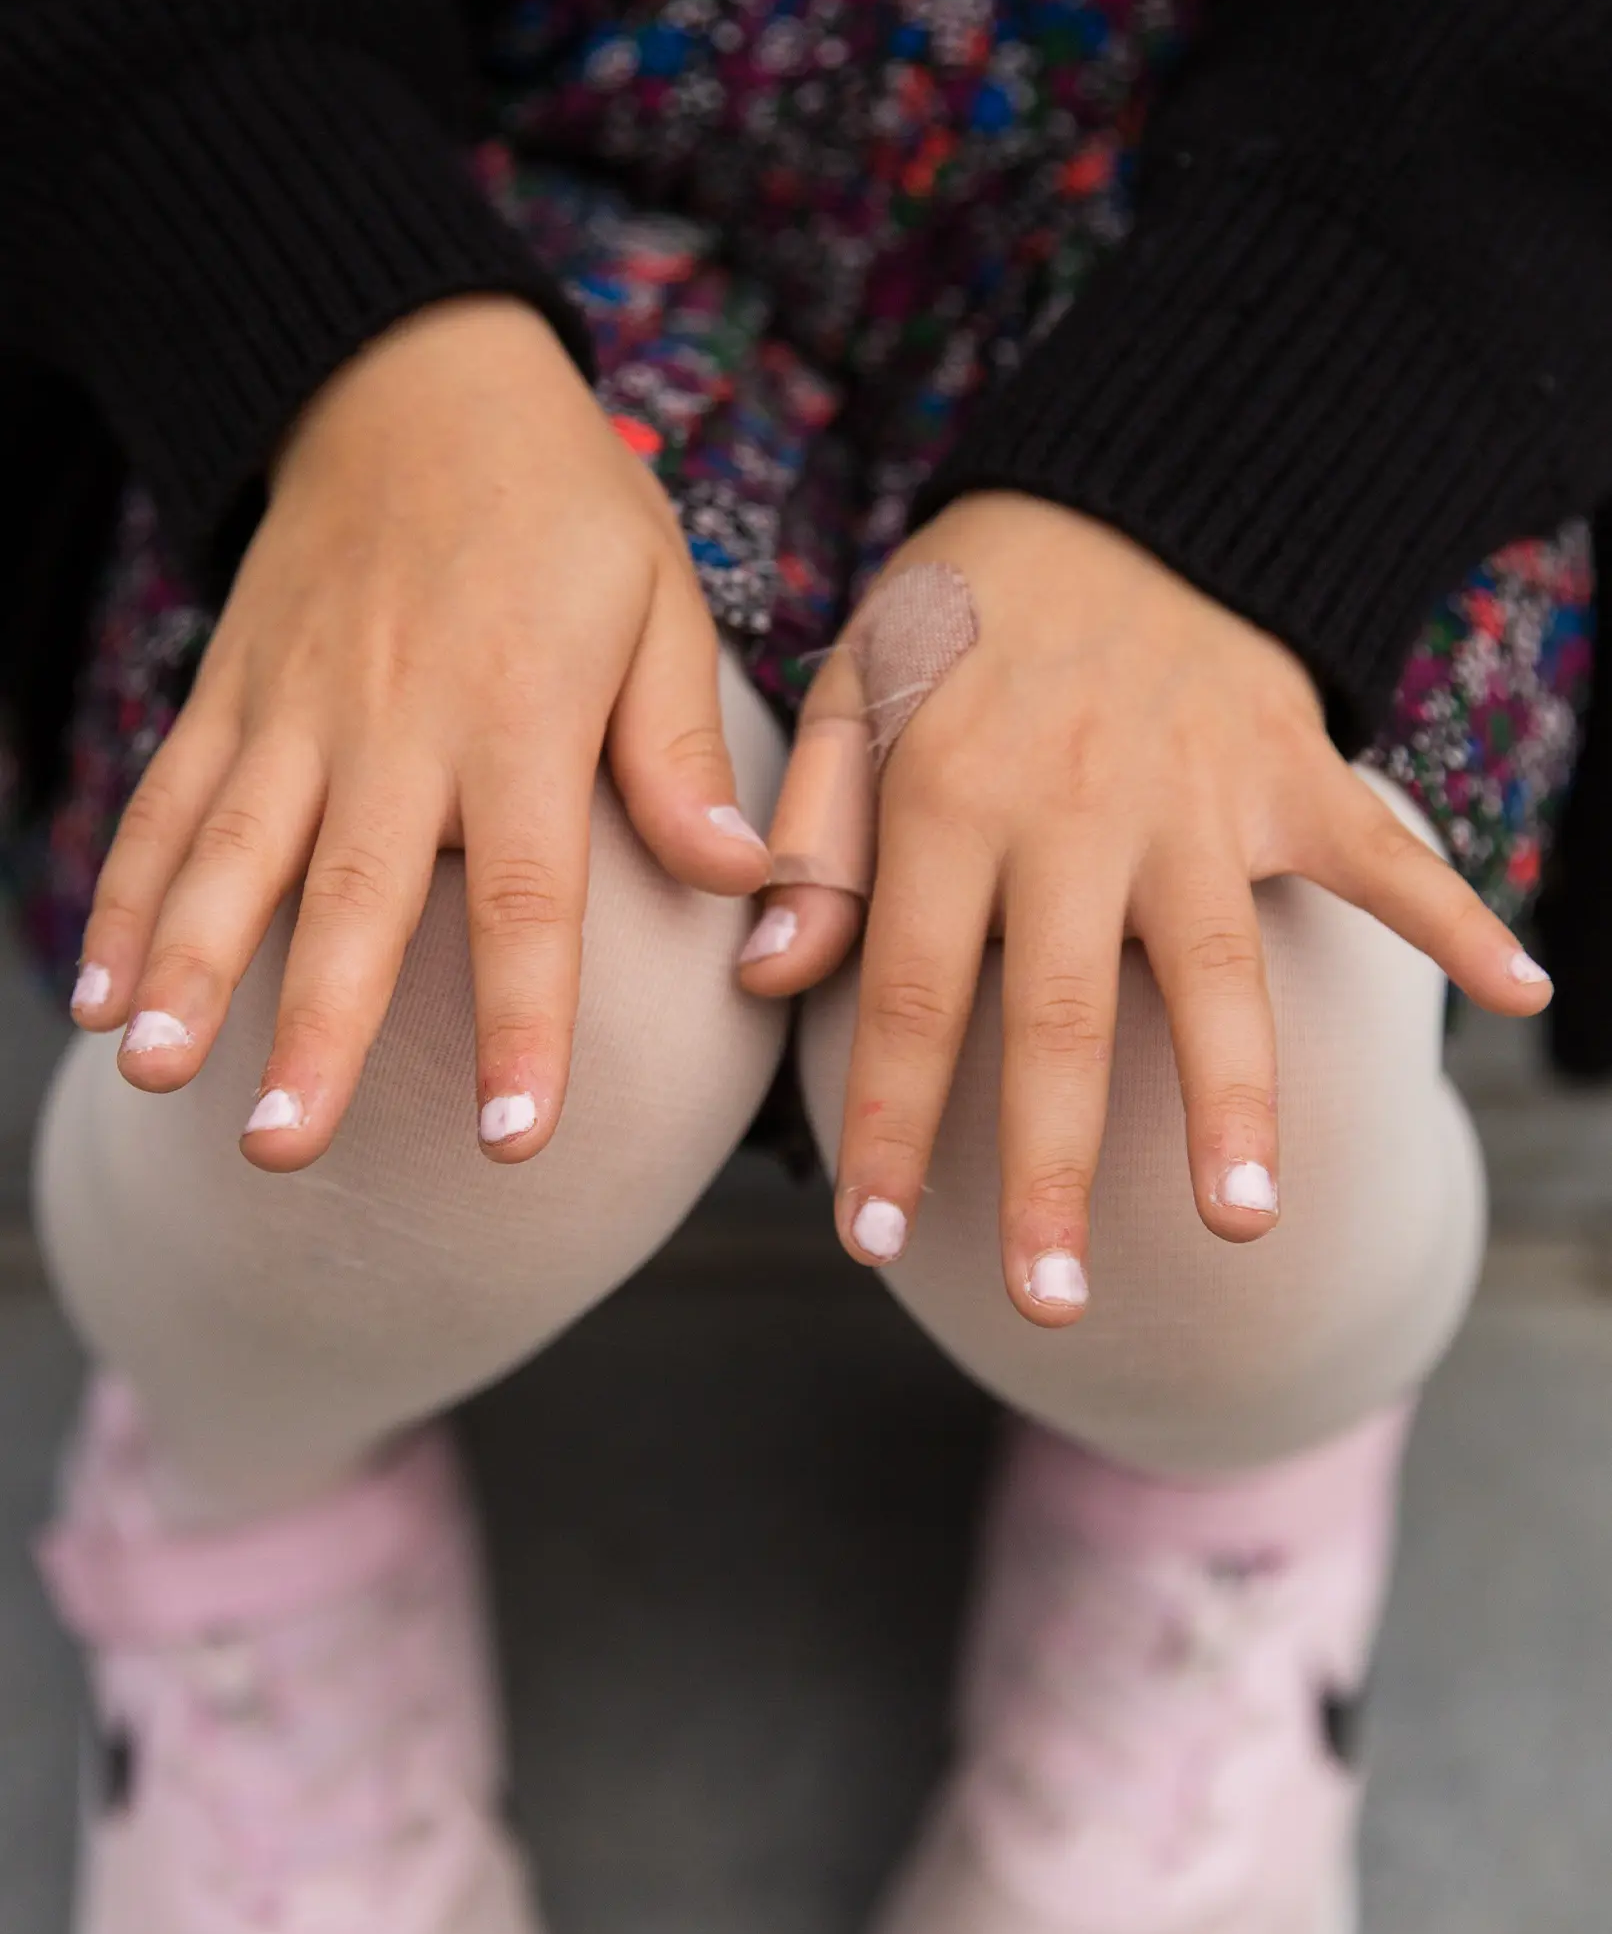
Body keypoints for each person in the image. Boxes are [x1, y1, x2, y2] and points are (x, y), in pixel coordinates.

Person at [1, 2, 1607, 1929]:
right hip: (447, 163)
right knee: (440, 945)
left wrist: (1246, 467)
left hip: (1308, 198)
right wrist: (340, 337)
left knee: (1194, 1061)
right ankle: (242, 1478)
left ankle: (1213, 1506)